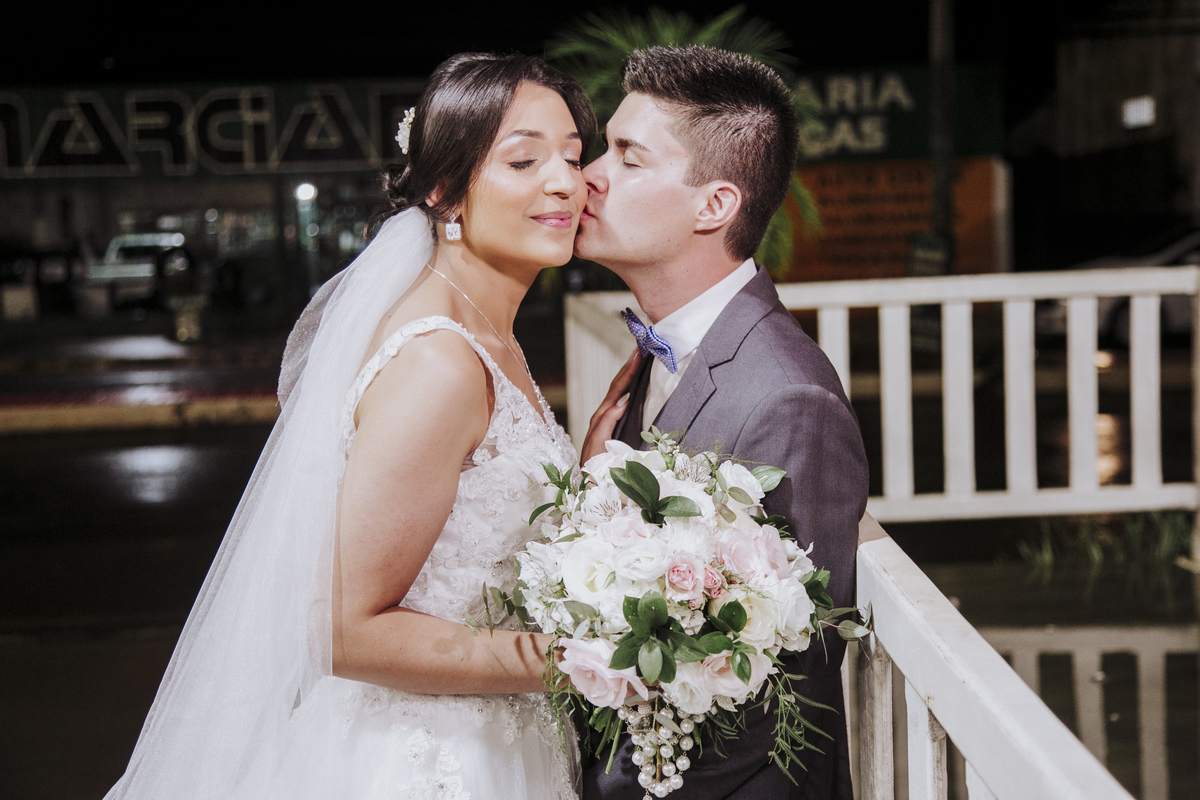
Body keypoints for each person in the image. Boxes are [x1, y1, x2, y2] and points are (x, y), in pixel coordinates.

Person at [105, 53, 595, 800]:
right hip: (428, 761)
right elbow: (340, 629)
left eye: (573, 156)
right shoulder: (440, 362)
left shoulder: (487, 334)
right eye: (524, 160)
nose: (564, 182)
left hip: (500, 738)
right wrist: (578, 662)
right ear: (444, 191)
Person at [575, 46, 869, 799]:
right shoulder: (657, 353)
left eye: (628, 157)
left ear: (714, 206)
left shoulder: (788, 399)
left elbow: (786, 693)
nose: (589, 176)